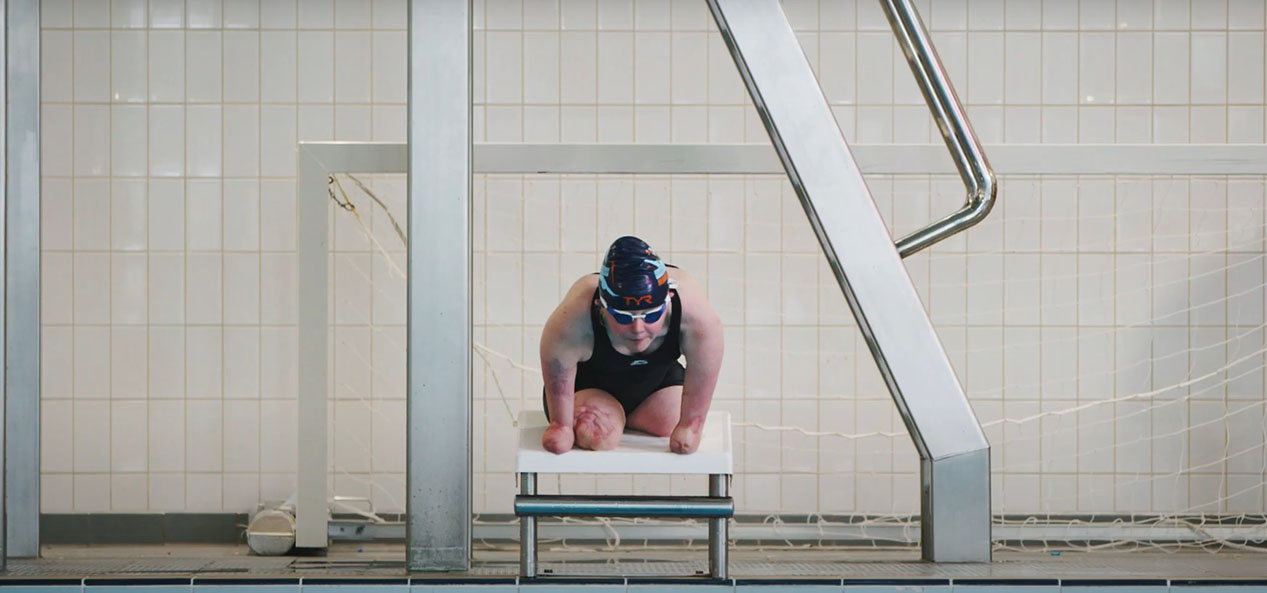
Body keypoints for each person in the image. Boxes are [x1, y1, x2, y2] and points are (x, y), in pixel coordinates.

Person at [539, 236, 723, 455]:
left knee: (673, 422)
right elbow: (558, 374)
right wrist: (561, 425)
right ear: (601, 306)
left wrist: (690, 425)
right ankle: (614, 416)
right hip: (589, 386)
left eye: (651, 315)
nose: (638, 328)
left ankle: (628, 418)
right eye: (623, 317)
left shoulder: (695, 315)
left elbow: (704, 371)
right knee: (598, 433)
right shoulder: (574, 317)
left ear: (669, 299)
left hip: (656, 384)